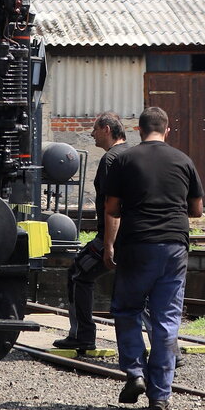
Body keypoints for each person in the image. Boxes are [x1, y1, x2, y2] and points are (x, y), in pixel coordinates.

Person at [103, 106, 204, 410]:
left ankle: (135, 372)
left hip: (137, 245)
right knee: (167, 319)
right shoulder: (183, 160)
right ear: (167, 130)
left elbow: (111, 208)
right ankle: (160, 394)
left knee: (127, 310)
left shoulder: (124, 160)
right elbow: (197, 210)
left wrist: (113, 239)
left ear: (139, 130)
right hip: (174, 247)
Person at [52, 112, 128, 354]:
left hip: (111, 237)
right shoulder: (132, 155)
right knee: (142, 291)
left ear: (106, 129)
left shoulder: (110, 160)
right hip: (136, 237)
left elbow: (111, 205)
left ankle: (82, 336)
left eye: (95, 129)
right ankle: (168, 349)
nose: (91, 134)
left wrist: (109, 243)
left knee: (78, 273)